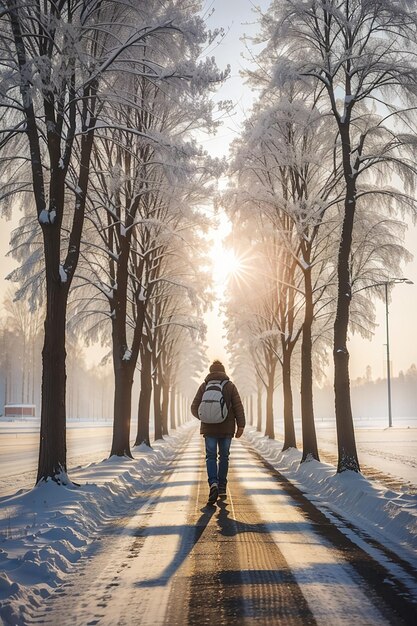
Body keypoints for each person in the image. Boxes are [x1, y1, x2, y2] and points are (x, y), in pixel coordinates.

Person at [191, 360, 245, 504]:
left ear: (210, 371)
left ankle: (213, 483)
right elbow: (238, 406)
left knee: (210, 457)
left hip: (209, 429)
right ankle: (221, 487)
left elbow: (194, 407)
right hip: (226, 429)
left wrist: (204, 417)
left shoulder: (204, 386)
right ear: (223, 371)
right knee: (224, 457)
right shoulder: (230, 386)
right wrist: (241, 426)